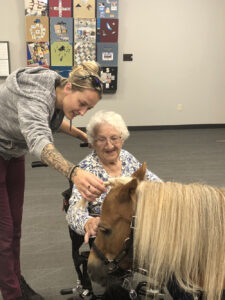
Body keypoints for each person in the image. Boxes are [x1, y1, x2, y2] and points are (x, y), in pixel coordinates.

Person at [0, 62, 107, 300]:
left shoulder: (57, 86)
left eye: (88, 108)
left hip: (13, 152)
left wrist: (81, 134)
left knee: (15, 229)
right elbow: (39, 141)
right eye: (82, 104)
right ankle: (12, 294)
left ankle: (14, 279)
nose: (82, 112)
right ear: (68, 87)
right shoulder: (34, 97)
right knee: (4, 234)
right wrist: (75, 173)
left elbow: (53, 120)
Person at [66, 110, 161, 243]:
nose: (109, 145)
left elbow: (156, 183)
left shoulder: (127, 157)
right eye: (102, 139)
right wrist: (88, 222)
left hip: (139, 228)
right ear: (93, 142)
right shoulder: (85, 170)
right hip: (111, 238)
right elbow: (74, 211)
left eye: (114, 138)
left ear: (122, 139)